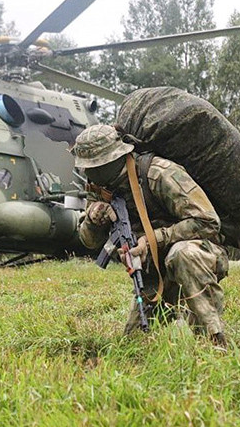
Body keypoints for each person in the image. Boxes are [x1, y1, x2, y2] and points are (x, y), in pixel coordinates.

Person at [72, 124, 230, 347]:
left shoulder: (159, 173)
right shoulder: (100, 187)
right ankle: (175, 312)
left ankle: (215, 339)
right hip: (153, 275)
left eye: (97, 166)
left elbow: (208, 222)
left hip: (197, 258)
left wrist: (152, 239)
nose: (92, 173)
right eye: (89, 168)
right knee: (133, 346)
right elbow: (89, 242)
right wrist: (93, 219)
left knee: (182, 254)